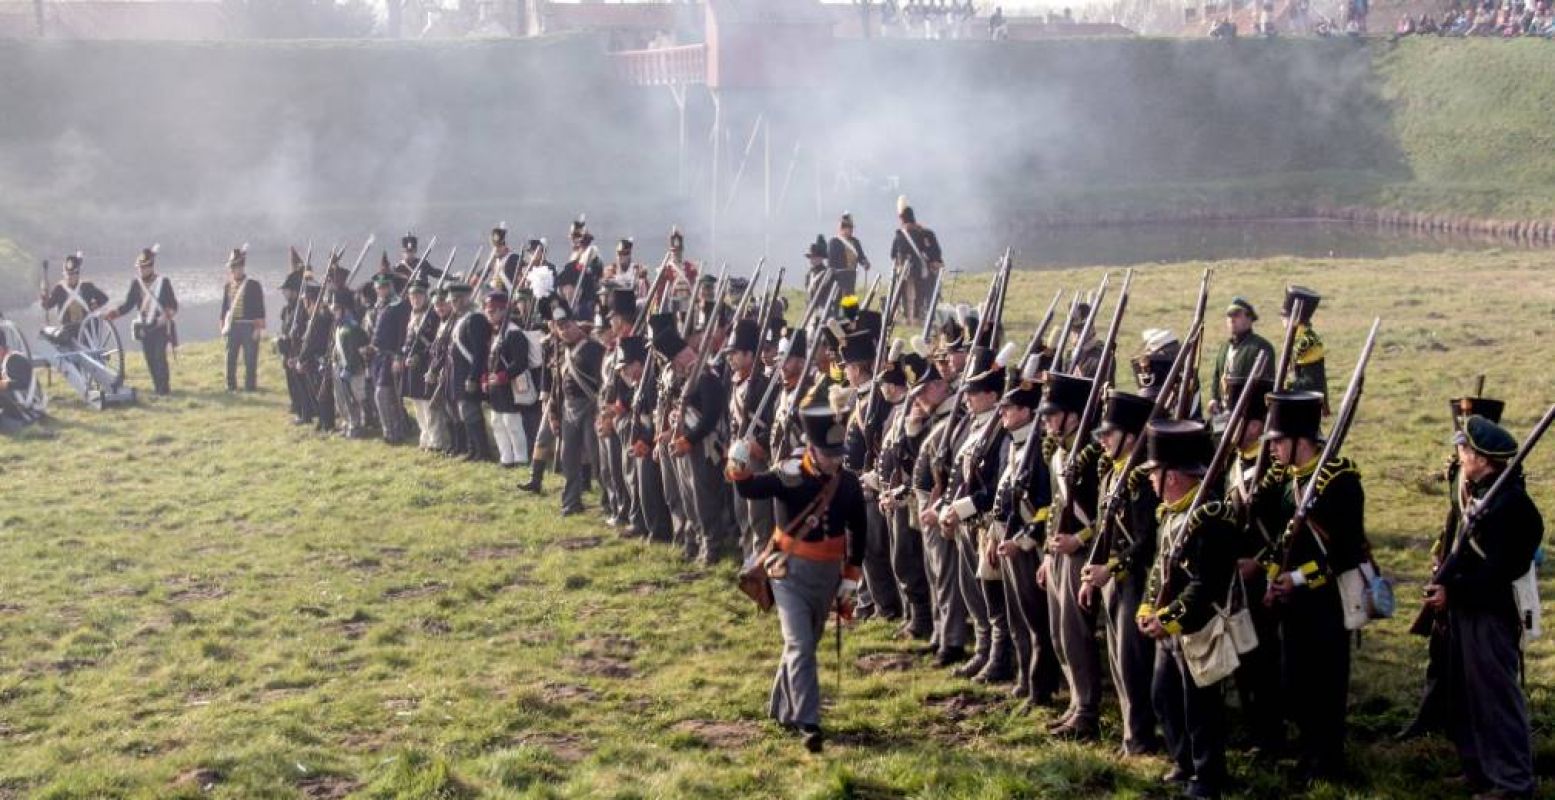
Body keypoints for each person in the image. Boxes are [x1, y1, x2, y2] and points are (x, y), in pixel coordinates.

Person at [727, 394, 869, 754]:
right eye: (829, 454)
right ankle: (809, 722)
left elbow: (859, 530)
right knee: (800, 643)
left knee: (805, 641)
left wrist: (851, 578)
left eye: (839, 455)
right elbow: (749, 488)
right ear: (812, 448)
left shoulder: (848, 483)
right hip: (787, 571)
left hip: (827, 576)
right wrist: (738, 463)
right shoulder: (789, 474)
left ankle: (781, 708)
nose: (836, 461)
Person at [1426, 414, 1543, 800]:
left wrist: (1453, 593)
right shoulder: (1480, 492)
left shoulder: (1512, 506)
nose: (1459, 455)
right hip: (1468, 609)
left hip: (1490, 613)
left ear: (1482, 458)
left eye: (1465, 450)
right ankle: (1478, 771)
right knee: (1466, 697)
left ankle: (1512, 783)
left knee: (1495, 700)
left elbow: (1498, 572)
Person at [1259, 390, 1366, 783]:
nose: (1271, 449)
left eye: (1277, 441)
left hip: (1327, 600)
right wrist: (1274, 576)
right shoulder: (1289, 481)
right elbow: (1278, 541)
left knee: (1325, 684)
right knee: (1297, 683)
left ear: (1300, 440)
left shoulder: (1340, 480)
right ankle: (1308, 753)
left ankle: (1327, 762)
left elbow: (1346, 552)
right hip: (1294, 602)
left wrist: (1298, 579)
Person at [1137, 419, 1236, 800]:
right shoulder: (1172, 512)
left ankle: (1208, 775)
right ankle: (1184, 763)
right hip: (1168, 626)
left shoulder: (1209, 517)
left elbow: (1205, 584)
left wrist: (1169, 619)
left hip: (1197, 626)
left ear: (1173, 476)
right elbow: (1159, 570)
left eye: (1154, 473)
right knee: (1164, 695)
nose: (1149, 480)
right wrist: (1147, 609)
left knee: (1201, 707)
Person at [1400, 392, 1505, 742]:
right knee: (1440, 650)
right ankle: (1432, 716)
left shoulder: (1495, 489)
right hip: (1452, 565)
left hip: (1473, 580)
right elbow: (1453, 521)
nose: (1460, 444)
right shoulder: (1459, 474)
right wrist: (1439, 554)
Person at [1079, 389, 1163, 756]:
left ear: (1131, 436)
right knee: (1118, 659)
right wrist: (1093, 574)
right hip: (1112, 577)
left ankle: (1142, 738)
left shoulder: (1142, 479)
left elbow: (1145, 541)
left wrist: (1109, 569)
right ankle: (1131, 734)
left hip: (1137, 579)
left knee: (1133, 663)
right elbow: (1103, 528)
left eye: (1109, 434)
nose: (1103, 440)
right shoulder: (1112, 472)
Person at [986, 358, 1064, 708]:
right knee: (1019, 618)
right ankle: (1026, 678)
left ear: (1026, 412)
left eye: (1009, 409)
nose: (1002, 414)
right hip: (1011, 539)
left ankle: (1040, 689)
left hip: (1032, 544)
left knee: (1037, 621)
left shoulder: (1039, 450)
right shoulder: (1011, 444)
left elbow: (1047, 504)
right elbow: (1004, 495)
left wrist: (1023, 541)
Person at [938, 347, 1015, 683]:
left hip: (987, 525)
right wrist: (948, 507)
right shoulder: (974, 426)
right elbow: (958, 474)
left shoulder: (1001, 433)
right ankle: (983, 650)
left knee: (992, 598)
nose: (967, 398)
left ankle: (999, 658)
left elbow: (996, 484)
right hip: (967, 524)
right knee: (971, 591)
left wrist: (959, 508)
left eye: (974, 393)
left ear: (993, 395)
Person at [1038, 371, 1104, 740]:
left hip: (1082, 554)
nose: (1046, 421)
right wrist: (1049, 553)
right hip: (1059, 552)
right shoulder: (1059, 454)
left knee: (1077, 634)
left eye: (1053, 415)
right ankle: (1076, 703)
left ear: (1074, 416)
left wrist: (1078, 540)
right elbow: (1054, 505)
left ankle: (1088, 711)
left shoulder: (1092, 456)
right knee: (1059, 633)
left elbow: (1104, 518)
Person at [551, 294, 605, 516]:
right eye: (560, 327)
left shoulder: (593, 349)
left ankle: (609, 501)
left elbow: (603, 384)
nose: (564, 330)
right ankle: (571, 501)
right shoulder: (562, 350)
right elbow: (557, 386)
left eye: (567, 325)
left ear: (577, 325)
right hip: (568, 409)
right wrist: (554, 413)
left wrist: (601, 412)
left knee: (597, 457)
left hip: (590, 406)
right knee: (568, 457)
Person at [104, 247, 178, 396]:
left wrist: (167, 315)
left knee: (159, 357)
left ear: (151, 266)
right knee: (149, 358)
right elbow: (128, 305)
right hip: (144, 327)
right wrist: (113, 314)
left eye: (144, 267)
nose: (142, 270)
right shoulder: (136, 284)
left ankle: (164, 389)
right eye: (140, 267)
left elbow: (173, 305)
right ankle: (157, 386)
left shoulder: (163, 282)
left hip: (160, 326)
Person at [483, 291, 533, 470]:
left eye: (493, 311)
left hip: (509, 385)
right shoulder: (494, 333)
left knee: (512, 423)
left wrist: (502, 377)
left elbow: (520, 362)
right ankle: (506, 457)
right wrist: (486, 378)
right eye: (489, 311)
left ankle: (520, 458)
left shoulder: (513, 333)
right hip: (495, 385)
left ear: (503, 311)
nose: (490, 314)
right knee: (497, 422)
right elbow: (489, 359)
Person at [400, 279, 445, 452]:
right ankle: (425, 437)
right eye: (412, 296)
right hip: (413, 366)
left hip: (427, 364)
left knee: (429, 406)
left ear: (425, 296)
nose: (415, 299)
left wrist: (419, 356)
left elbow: (435, 342)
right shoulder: (412, 314)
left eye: (418, 295)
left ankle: (436, 441)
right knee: (418, 404)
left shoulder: (432, 315)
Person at [1208, 297, 1273, 415]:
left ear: (1250, 318)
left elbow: (1265, 388)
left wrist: (1257, 418)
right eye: (1229, 316)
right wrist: (1214, 399)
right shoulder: (1224, 347)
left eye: (1236, 315)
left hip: (1248, 413)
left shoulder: (1261, 346)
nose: (1232, 320)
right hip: (1224, 411)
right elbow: (1217, 376)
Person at [366, 274, 411, 444]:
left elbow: (402, 334)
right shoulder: (380, 306)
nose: (381, 290)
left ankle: (394, 432)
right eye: (379, 287)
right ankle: (391, 431)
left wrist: (399, 357)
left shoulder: (399, 305)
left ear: (390, 286)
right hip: (377, 357)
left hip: (391, 356)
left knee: (384, 395)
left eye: (384, 286)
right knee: (385, 396)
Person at [889, 195, 944, 324]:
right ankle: (919, 315)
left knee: (908, 296)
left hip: (906, 271)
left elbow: (892, 255)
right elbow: (936, 253)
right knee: (922, 295)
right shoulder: (926, 232)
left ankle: (909, 317)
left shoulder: (899, 235)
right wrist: (935, 262)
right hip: (923, 271)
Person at [219, 247, 266, 392]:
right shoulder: (227, 286)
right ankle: (230, 385)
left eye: (237, 267)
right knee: (230, 357)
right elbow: (224, 309)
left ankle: (250, 386)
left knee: (250, 359)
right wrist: (223, 327)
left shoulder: (253, 285)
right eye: (233, 267)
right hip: (232, 326)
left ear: (242, 267)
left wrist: (258, 329)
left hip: (249, 326)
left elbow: (260, 309)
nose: (234, 270)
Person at [1281, 286, 1329, 412]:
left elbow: (1312, 383)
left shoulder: (1305, 341)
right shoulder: (1299, 338)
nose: (1282, 320)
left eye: (1285, 316)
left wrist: (1287, 384)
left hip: (1305, 403)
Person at [39, 252, 109, 337]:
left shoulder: (87, 286)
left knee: (95, 321)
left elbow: (104, 298)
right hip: (68, 329)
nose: (70, 277)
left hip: (86, 327)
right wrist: (44, 292)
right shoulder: (59, 289)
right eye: (68, 274)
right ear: (64, 274)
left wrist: (94, 305)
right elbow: (47, 305)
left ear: (77, 274)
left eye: (73, 274)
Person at [331, 292, 370, 439]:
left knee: (354, 399)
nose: (334, 312)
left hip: (352, 369)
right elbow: (338, 347)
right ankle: (347, 422)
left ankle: (356, 426)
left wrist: (349, 369)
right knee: (341, 399)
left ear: (344, 309)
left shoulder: (352, 327)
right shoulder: (340, 326)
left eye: (337, 309)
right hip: (340, 367)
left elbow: (354, 352)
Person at [0, 328, 43, 433]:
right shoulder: (7, 360)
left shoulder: (14, 360)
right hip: (23, 405)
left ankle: (22, 426)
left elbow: (23, 383)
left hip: (30, 409)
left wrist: (5, 384)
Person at [826, 213, 870, 298]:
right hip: (838, 280)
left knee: (850, 302)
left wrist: (865, 263)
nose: (851, 230)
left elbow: (861, 257)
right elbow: (831, 265)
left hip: (851, 277)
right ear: (842, 228)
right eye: (848, 227)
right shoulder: (834, 242)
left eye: (851, 227)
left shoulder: (855, 242)